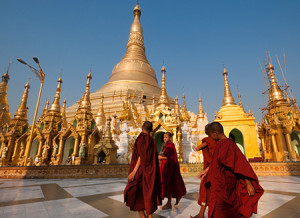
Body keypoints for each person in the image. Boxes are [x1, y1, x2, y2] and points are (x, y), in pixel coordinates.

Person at [201, 122, 264, 218]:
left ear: (216, 133)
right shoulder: (220, 145)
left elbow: (241, 164)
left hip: (227, 188)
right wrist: (206, 172)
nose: (210, 138)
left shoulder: (229, 145)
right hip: (219, 187)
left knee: (223, 213)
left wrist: (248, 183)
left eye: (210, 135)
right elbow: (216, 163)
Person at [124, 121, 162, 218]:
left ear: (142, 127)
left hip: (141, 171)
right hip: (150, 172)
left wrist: (134, 171)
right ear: (151, 129)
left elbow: (142, 155)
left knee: (133, 193)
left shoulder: (142, 139)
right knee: (147, 195)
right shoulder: (151, 140)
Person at [191, 124, 216, 218]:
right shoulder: (216, 141)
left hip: (209, 170)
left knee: (207, 191)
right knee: (206, 191)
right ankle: (201, 214)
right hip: (211, 169)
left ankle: (204, 214)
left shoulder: (208, 140)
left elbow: (197, 148)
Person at [159, 132, 186, 209]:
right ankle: (178, 196)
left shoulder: (170, 145)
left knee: (169, 184)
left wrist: (161, 158)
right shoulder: (168, 145)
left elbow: (169, 157)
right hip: (169, 167)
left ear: (170, 138)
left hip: (169, 168)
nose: (164, 139)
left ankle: (169, 203)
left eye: (166, 137)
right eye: (164, 137)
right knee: (173, 183)